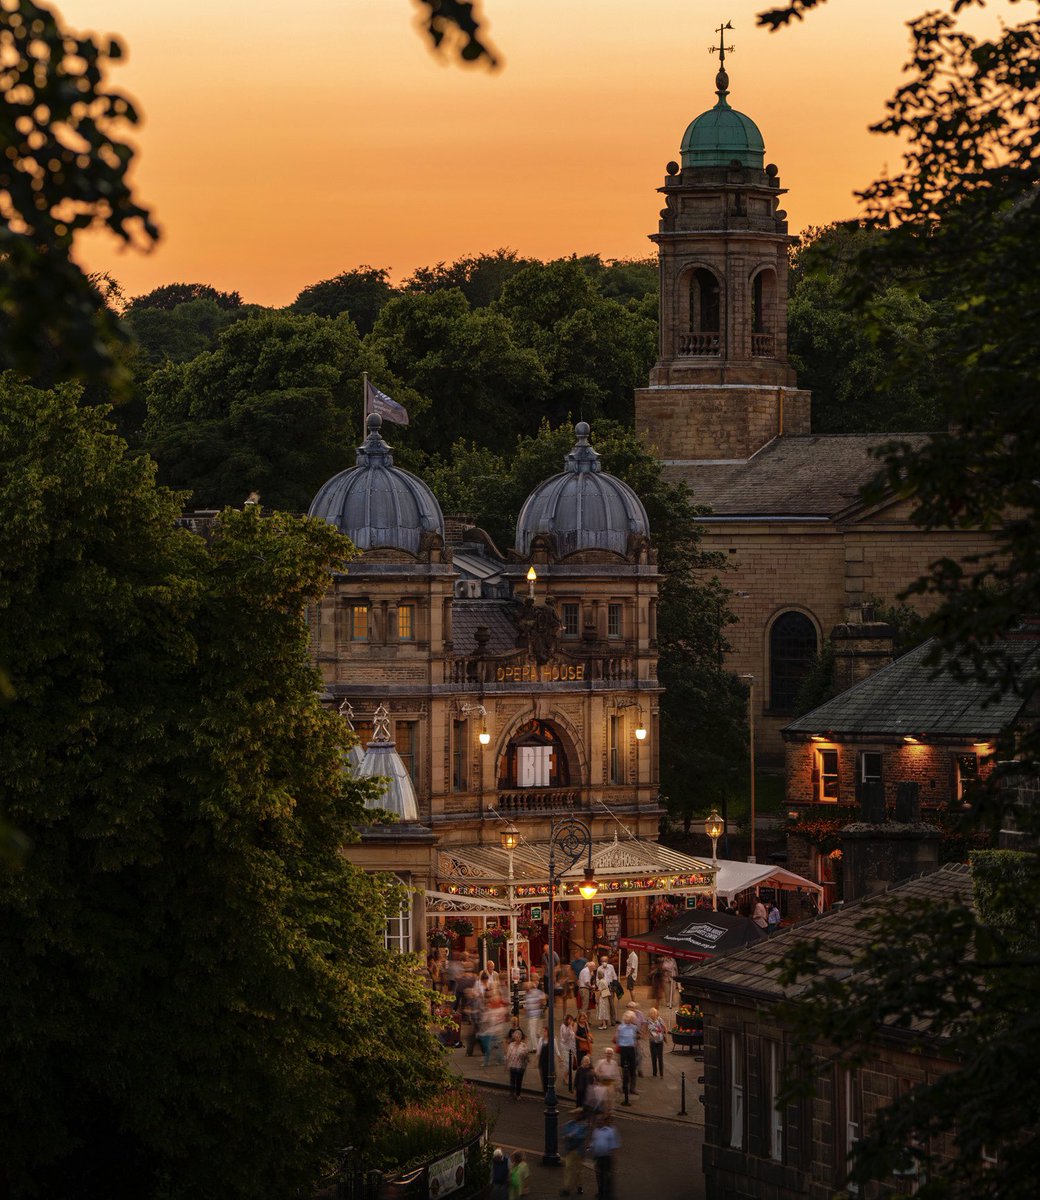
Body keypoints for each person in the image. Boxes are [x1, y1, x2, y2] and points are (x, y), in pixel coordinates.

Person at [589, 1115, 620, 1200]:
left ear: (604, 1121)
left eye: (601, 1120)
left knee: (607, 1176)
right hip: (598, 1157)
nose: (599, 1122)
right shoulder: (595, 1131)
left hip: (607, 1157)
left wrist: (614, 1158)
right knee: (599, 1176)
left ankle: (608, 1194)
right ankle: (601, 1192)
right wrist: (591, 1148)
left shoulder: (610, 1131)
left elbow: (614, 1146)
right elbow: (593, 1142)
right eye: (598, 1120)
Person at [561, 1106, 588, 1196]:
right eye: (575, 1114)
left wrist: (571, 1136)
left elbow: (581, 1137)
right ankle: (566, 1188)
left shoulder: (584, 1125)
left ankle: (579, 1186)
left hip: (579, 1150)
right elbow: (564, 1134)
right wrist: (567, 1137)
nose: (576, 1115)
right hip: (571, 1149)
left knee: (578, 1171)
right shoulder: (569, 1124)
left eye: (577, 1114)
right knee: (568, 1168)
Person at [614, 1012, 638, 1100]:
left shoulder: (634, 1027)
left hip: (631, 1049)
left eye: (630, 1018)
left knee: (633, 1069)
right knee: (624, 1069)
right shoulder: (620, 1027)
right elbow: (617, 1038)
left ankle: (632, 1088)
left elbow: (636, 1036)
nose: (628, 1019)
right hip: (624, 1049)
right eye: (627, 1018)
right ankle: (624, 1087)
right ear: (624, 1019)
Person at [505, 1028, 529, 1101]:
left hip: (520, 1066)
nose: (517, 1038)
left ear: (521, 1037)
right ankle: (511, 1093)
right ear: (514, 1037)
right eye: (516, 1037)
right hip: (512, 1065)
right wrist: (506, 1064)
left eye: (519, 1037)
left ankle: (518, 1094)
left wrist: (524, 1056)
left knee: (519, 1081)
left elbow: (526, 1057)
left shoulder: (524, 1046)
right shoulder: (511, 1045)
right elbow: (508, 1055)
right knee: (512, 1080)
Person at [646, 1006, 666, 1077]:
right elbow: (646, 1028)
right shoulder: (648, 1020)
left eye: (654, 1013)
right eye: (651, 1014)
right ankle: (654, 1072)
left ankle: (661, 1073)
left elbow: (664, 1027)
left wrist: (664, 1034)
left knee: (660, 1057)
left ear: (656, 1014)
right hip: (652, 1041)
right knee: (653, 1057)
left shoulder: (660, 1020)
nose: (653, 1015)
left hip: (660, 1041)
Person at [558, 1013, 577, 1086]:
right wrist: (570, 1027)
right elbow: (565, 1038)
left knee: (571, 1064)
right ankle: (565, 1078)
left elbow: (572, 1037)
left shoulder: (570, 1027)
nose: (571, 1021)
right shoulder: (564, 1027)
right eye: (570, 1020)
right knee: (567, 1065)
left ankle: (566, 1077)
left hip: (571, 1047)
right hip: (565, 1048)